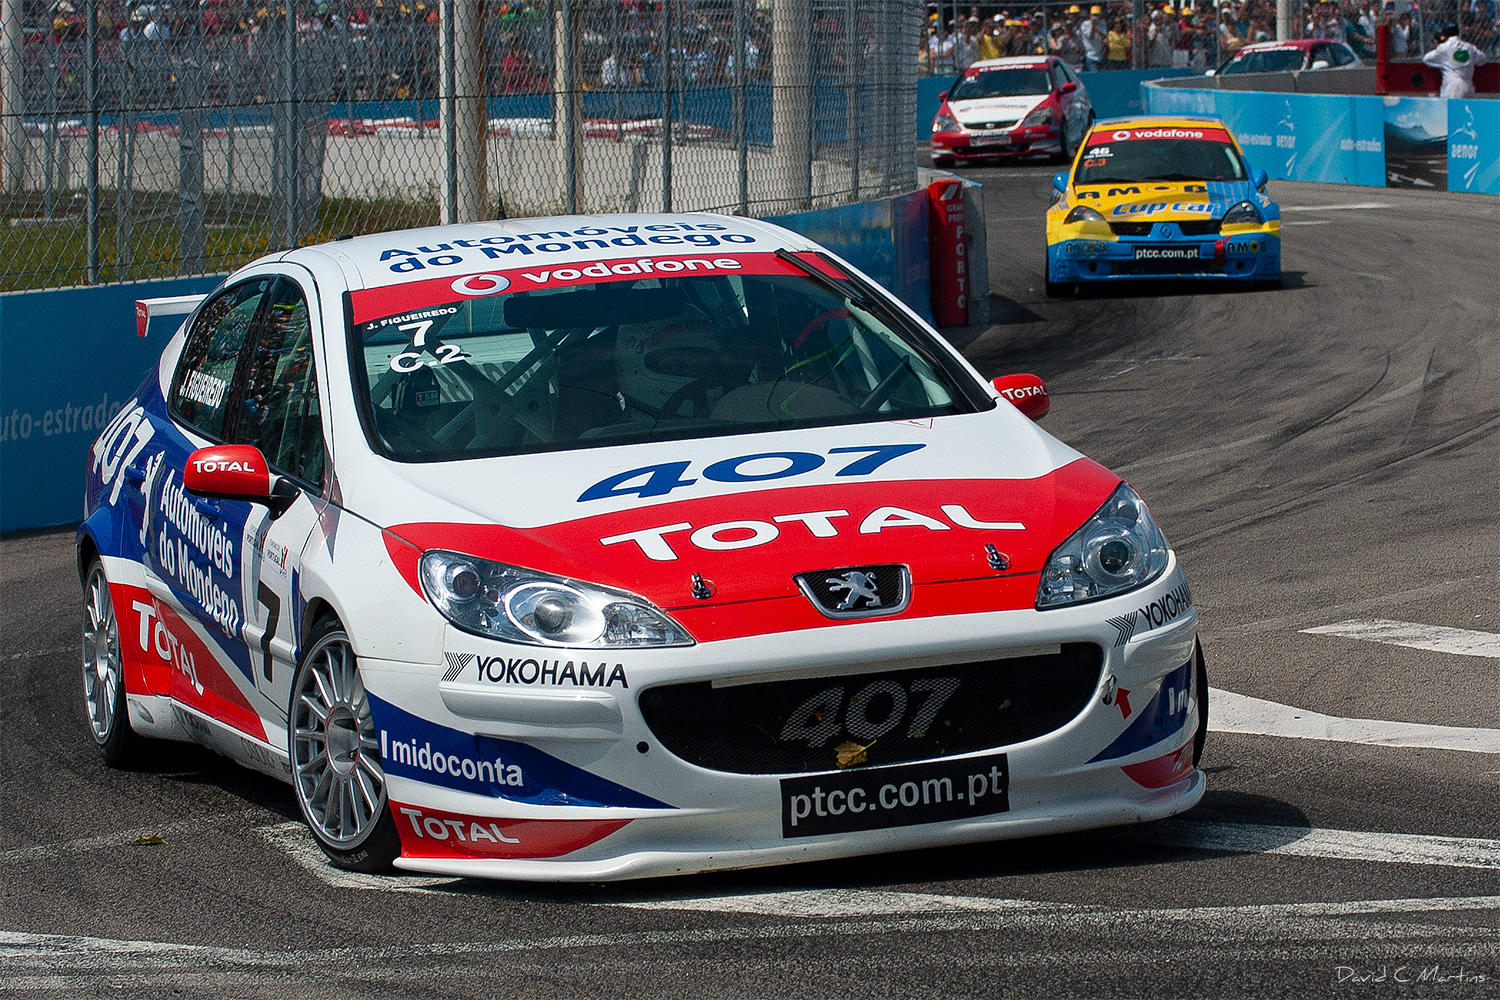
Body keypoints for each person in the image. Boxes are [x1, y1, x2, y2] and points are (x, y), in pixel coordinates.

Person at [1423, 23, 1488, 98]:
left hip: (1451, 87)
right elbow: (1483, 59)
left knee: (1450, 105)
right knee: (1466, 105)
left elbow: (1426, 59)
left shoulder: (1444, 47)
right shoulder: (1469, 47)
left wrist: (1443, 63)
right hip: (1468, 85)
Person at [1079, 5, 1108, 70]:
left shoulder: (1102, 23)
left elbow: (1104, 36)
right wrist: (1093, 26)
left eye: (1097, 15)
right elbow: (1091, 37)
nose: (1095, 17)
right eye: (1094, 15)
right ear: (1090, 15)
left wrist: (1098, 30)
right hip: (1090, 55)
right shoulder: (1085, 24)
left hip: (1100, 55)